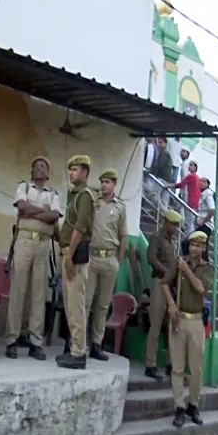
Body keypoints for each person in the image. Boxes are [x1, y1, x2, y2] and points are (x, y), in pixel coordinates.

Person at [5, 156, 61, 361]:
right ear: (31, 170)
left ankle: (35, 341)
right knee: (18, 289)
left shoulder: (53, 193)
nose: (40, 167)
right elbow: (21, 208)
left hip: (43, 244)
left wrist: (32, 212)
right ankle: (12, 338)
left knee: (39, 293)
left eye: (44, 165)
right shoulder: (24, 187)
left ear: (47, 173)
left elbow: (54, 217)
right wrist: (42, 212)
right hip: (24, 241)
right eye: (36, 165)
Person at [162, 230, 213, 428]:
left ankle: (193, 404)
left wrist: (187, 270)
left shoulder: (207, 268)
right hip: (179, 319)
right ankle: (179, 407)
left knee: (196, 368)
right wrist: (170, 304)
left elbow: (201, 288)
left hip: (196, 322)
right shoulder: (178, 262)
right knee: (177, 368)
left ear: (204, 248)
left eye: (198, 246)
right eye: (192, 245)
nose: (194, 249)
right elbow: (165, 283)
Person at [57, 155, 95, 369]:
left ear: (85, 172)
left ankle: (79, 352)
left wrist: (69, 256)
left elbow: (80, 228)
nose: (71, 173)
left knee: (76, 305)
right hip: (69, 254)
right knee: (70, 306)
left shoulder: (85, 196)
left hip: (76, 256)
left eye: (75, 169)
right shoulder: (75, 195)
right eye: (70, 169)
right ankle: (74, 349)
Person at [85, 168, 128, 361]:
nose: (104, 185)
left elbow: (123, 236)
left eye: (108, 182)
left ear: (114, 184)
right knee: (85, 302)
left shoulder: (120, 207)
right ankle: (78, 342)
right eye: (102, 181)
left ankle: (96, 343)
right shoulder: (94, 202)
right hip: (91, 257)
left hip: (109, 259)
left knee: (102, 305)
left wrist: (117, 262)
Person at [145, 209, 181, 380]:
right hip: (159, 282)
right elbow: (151, 258)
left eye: (176, 225)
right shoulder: (156, 238)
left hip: (171, 285)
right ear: (165, 222)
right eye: (172, 224)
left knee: (171, 325)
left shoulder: (173, 242)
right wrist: (167, 272)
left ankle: (169, 364)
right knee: (156, 324)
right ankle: (150, 364)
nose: (174, 228)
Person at [181, 177, 215, 261]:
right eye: (200, 181)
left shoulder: (208, 194)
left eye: (204, 181)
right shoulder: (203, 194)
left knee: (186, 243)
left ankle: (190, 262)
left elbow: (212, 209)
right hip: (204, 225)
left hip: (206, 226)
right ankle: (201, 265)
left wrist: (204, 220)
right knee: (202, 249)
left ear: (208, 184)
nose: (201, 182)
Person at [167, 159, 200, 235]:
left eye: (191, 165)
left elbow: (181, 184)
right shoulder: (197, 178)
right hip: (196, 202)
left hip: (191, 201)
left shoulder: (191, 176)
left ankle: (189, 237)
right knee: (190, 222)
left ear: (195, 167)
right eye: (190, 165)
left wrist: (170, 185)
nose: (189, 166)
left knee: (189, 222)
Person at [144, 137, 174, 210]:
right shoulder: (163, 153)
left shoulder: (164, 153)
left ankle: (162, 211)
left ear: (165, 144)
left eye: (161, 143)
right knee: (164, 199)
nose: (159, 145)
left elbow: (159, 165)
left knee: (153, 194)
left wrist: (150, 171)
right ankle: (164, 213)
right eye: (158, 142)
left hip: (163, 178)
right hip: (168, 179)